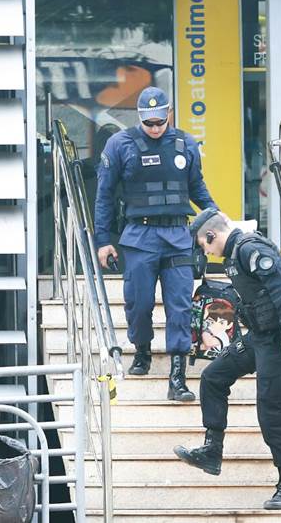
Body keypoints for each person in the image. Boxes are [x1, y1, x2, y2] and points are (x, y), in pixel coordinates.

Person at [174, 208, 281, 510]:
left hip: (279, 340)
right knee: (213, 377)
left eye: (204, 245)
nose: (205, 251)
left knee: (270, 412)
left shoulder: (249, 249)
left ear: (211, 235)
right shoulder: (235, 255)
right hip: (259, 337)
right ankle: (212, 451)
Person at [94, 86, 218, 401]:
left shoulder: (185, 144)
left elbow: (197, 188)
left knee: (179, 306)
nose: (154, 128)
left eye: (159, 121)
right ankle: (142, 350)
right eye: (148, 122)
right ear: (139, 117)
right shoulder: (119, 144)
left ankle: (177, 378)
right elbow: (105, 196)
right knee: (139, 303)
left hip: (177, 235)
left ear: (169, 114)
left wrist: (218, 222)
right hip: (139, 236)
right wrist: (103, 240)